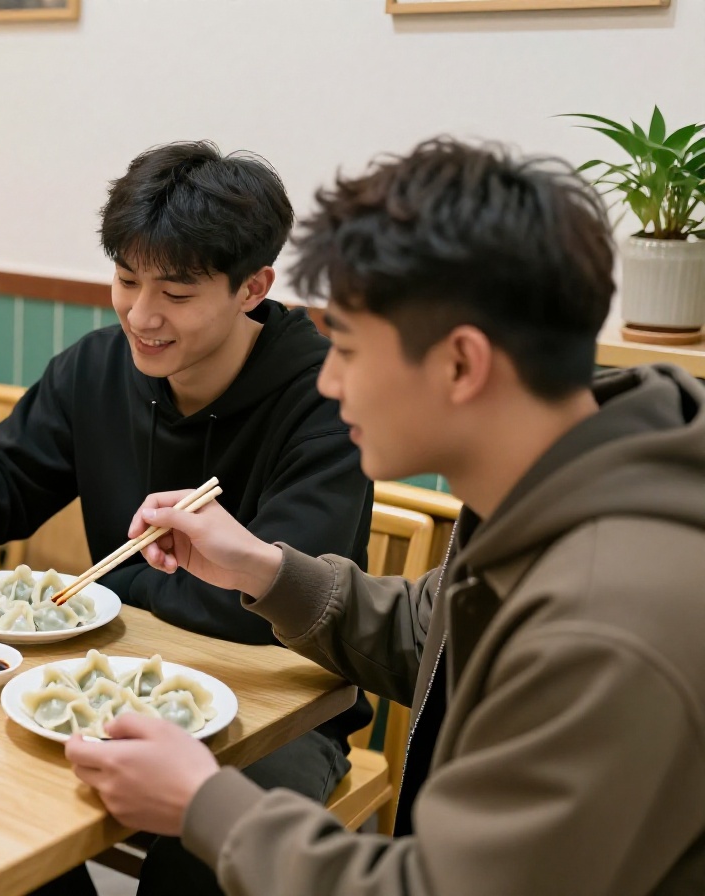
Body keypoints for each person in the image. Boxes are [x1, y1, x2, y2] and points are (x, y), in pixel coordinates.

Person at [69, 138, 705, 895]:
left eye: (348, 349)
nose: (330, 382)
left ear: (461, 364)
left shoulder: (607, 617)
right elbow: (430, 635)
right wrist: (263, 570)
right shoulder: (568, 481)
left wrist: (206, 804)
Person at [0, 142, 371, 894]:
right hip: (107, 681)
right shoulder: (97, 367)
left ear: (254, 287)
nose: (142, 315)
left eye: (176, 293)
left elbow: (280, 600)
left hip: (276, 709)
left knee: (202, 854)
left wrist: (113, 603)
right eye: (124, 279)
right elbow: (9, 478)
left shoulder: (324, 398)